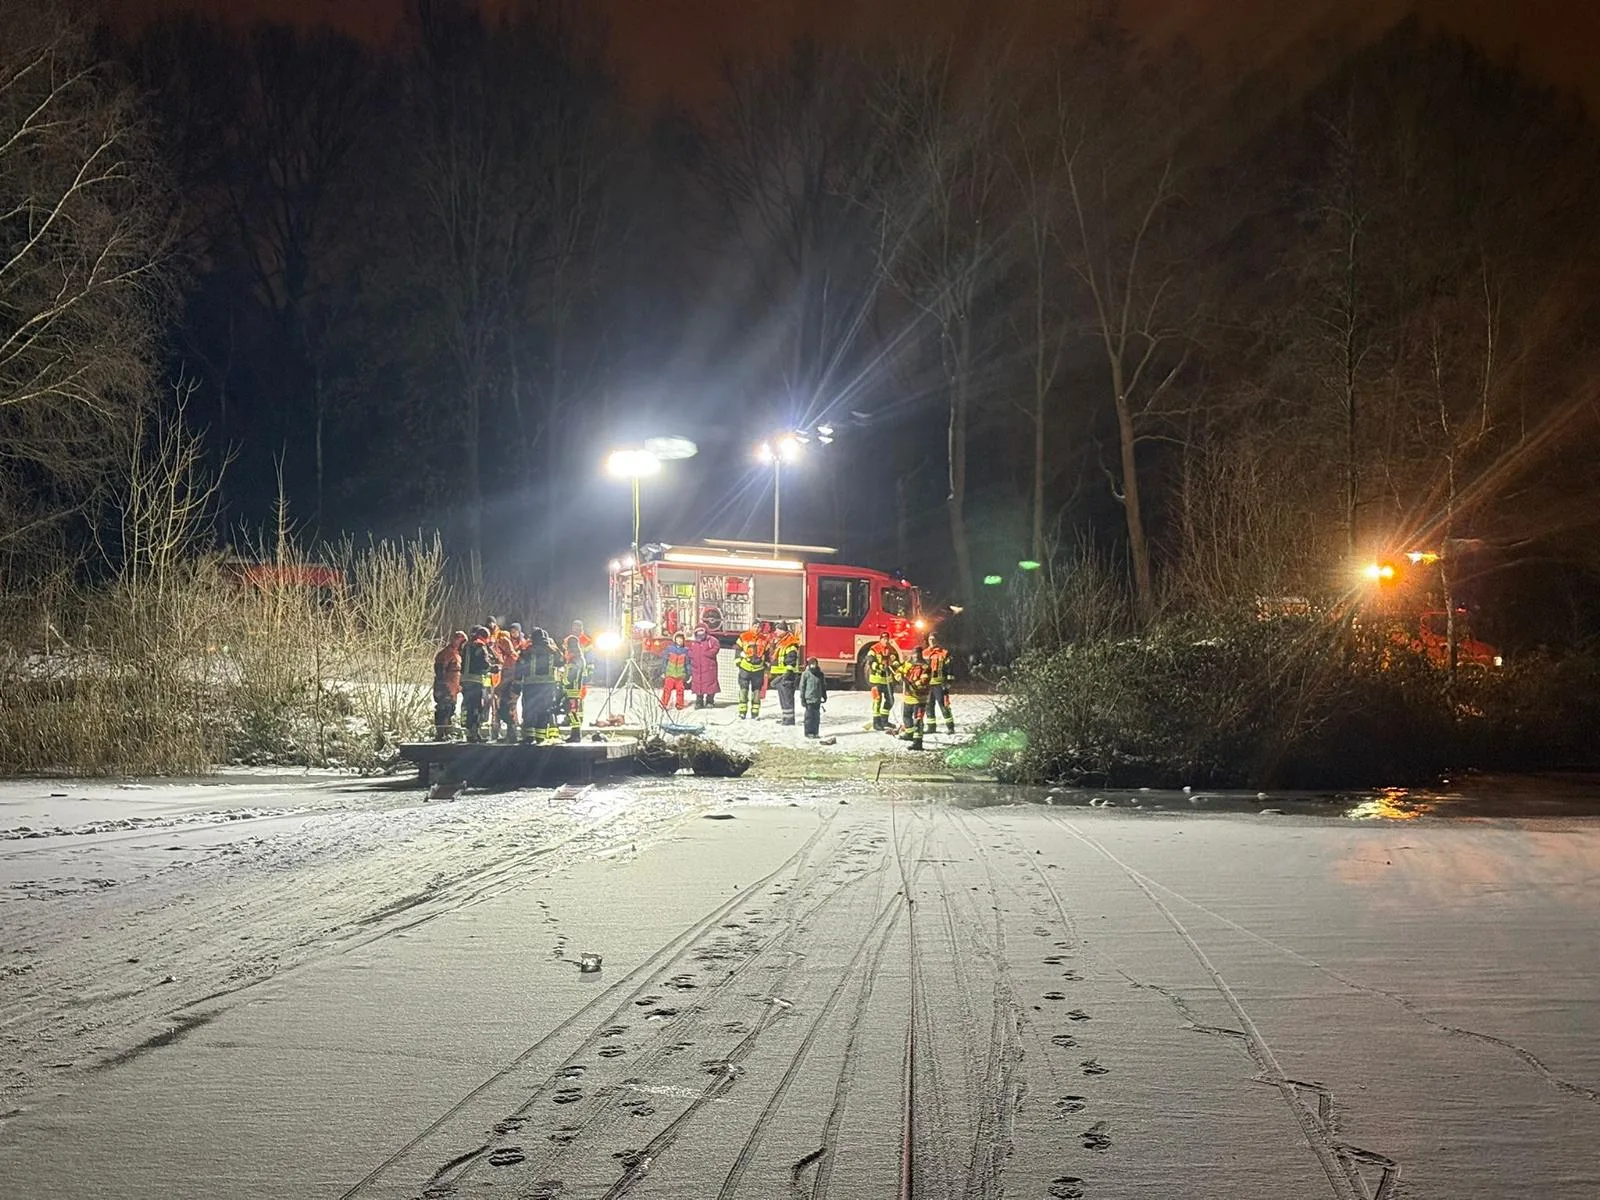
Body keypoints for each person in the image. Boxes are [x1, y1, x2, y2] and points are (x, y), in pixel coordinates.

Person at [519, 627, 562, 744]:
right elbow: (561, 662)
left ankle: (528, 737)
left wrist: (517, 684)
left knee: (529, 710)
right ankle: (540, 737)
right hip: (547, 688)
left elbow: (520, 667)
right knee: (544, 711)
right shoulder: (553, 651)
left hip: (530, 687)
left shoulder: (527, 651)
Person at [461, 626, 495, 743]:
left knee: (468, 706)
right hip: (475, 680)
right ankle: (475, 733)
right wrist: (493, 668)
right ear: (485, 637)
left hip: (464, 680)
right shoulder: (480, 645)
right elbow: (484, 664)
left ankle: (469, 733)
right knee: (476, 707)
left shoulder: (467, 646)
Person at [432, 631, 467, 740]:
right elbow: (440, 669)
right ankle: (441, 733)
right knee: (444, 710)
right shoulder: (447, 653)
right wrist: (443, 684)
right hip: (446, 688)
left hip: (452, 689)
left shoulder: (457, 654)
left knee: (450, 709)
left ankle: (446, 732)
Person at [866, 629, 901, 732]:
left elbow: (896, 662)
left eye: (887, 639)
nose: (885, 641)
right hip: (876, 679)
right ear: (880, 639)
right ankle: (876, 722)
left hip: (887, 680)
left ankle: (884, 720)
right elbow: (870, 660)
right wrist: (879, 666)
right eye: (884, 639)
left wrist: (894, 665)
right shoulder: (874, 649)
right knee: (877, 700)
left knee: (890, 700)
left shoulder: (892, 650)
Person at [493, 623, 523, 743]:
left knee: (507, 709)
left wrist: (498, 688)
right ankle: (511, 735)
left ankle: (512, 735)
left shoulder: (511, 659)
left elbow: (508, 677)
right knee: (507, 710)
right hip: (510, 688)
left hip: (510, 688)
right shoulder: (511, 657)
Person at [768, 621, 802, 726]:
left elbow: (791, 661)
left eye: (778, 630)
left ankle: (789, 720)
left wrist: (787, 673)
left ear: (783, 631)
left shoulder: (790, 644)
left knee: (787, 698)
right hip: (781, 675)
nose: (776, 632)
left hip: (787, 675)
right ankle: (785, 718)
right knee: (783, 698)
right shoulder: (780, 643)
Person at [898, 646, 931, 750]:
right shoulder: (908, 664)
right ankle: (909, 734)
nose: (915, 656)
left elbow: (924, 681)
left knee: (918, 720)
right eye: (914, 653)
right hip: (908, 697)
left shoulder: (925, 667)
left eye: (917, 653)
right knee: (906, 716)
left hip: (919, 698)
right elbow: (898, 672)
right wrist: (900, 678)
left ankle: (918, 742)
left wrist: (912, 684)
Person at [924, 630, 955, 734]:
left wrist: (948, 682)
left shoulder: (944, 653)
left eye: (933, 639)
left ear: (937, 640)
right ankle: (931, 727)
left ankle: (950, 727)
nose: (931, 641)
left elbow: (949, 668)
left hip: (939, 683)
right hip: (928, 684)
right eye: (930, 639)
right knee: (928, 705)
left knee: (943, 705)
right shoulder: (925, 653)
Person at [734, 625, 768, 719]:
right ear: (751, 627)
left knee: (757, 692)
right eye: (755, 626)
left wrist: (767, 664)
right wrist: (738, 661)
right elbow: (738, 649)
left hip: (758, 669)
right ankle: (742, 712)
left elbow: (767, 652)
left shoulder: (764, 639)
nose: (757, 628)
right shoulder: (743, 636)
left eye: (759, 626)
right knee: (743, 690)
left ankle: (755, 713)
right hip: (745, 667)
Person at [560, 632, 588, 740]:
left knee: (573, 712)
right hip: (576, 690)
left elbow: (570, 676)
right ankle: (575, 734)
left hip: (572, 690)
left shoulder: (574, 659)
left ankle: (575, 735)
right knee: (575, 711)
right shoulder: (579, 658)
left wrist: (563, 681)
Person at [687, 625, 720, 709]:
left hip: (709, 667)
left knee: (710, 684)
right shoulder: (693, 642)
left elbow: (716, 647)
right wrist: (692, 656)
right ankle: (699, 702)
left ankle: (710, 701)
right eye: (698, 631)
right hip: (697, 667)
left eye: (702, 631)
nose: (700, 633)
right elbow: (689, 651)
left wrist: (708, 654)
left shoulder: (711, 640)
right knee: (698, 685)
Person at [660, 631, 691, 711]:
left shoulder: (685, 651)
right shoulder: (670, 649)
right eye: (678, 639)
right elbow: (665, 661)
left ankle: (679, 704)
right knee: (667, 689)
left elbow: (687, 663)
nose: (680, 641)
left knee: (680, 690)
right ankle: (664, 703)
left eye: (681, 639)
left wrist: (689, 674)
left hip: (680, 675)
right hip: (670, 674)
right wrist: (663, 671)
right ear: (675, 640)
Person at [799, 656, 828, 738]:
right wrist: (802, 699)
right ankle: (808, 732)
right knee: (809, 717)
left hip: (817, 699)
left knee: (816, 717)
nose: (813, 666)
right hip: (809, 699)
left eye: (814, 664)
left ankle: (815, 732)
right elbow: (802, 687)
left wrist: (824, 695)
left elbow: (823, 685)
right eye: (811, 664)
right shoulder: (806, 674)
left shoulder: (820, 674)